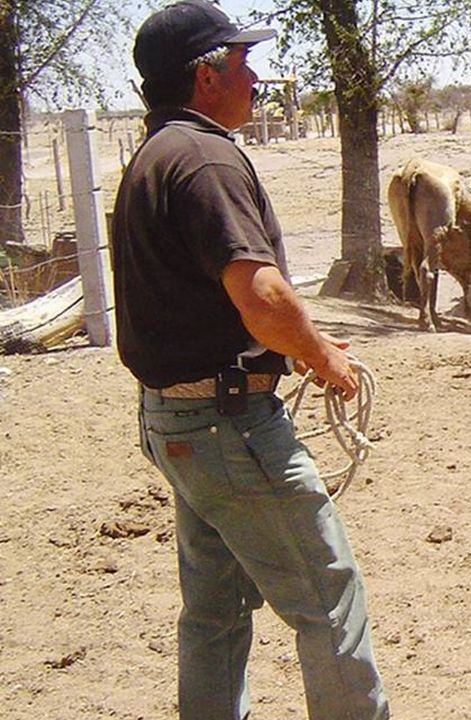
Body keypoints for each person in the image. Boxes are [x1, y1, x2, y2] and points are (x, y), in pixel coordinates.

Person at [110, 2, 390, 718]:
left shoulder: (155, 155)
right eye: (241, 62)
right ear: (206, 76)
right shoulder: (206, 158)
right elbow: (261, 296)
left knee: (216, 607)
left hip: (180, 422)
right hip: (228, 427)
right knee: (328, 598)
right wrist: (322, 353)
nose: (256, 76)